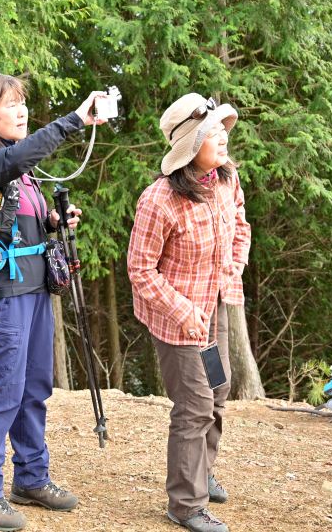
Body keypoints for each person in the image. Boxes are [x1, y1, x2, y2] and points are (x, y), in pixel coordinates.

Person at [0, 73, 106, 531]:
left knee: (34, 388)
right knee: (0, 392)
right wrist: (74, 120)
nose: (21, 111)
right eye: (11, 104)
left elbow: (12, 221)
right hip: (2, 295)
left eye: (23, 103)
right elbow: (14, 160)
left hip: (36, 290)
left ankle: (31, 479)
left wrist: (55, 220)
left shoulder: (19, 169)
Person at [127, 94, 251, 532]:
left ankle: (202, 472)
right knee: (195, 405)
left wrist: (234, 263)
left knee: (218, 389)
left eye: (222, 128)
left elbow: (241, 224)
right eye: (211, 132)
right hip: (176, 320)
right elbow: (140, 271)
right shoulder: (159, 200)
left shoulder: (225, 180)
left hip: (212, 305)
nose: (222, 137)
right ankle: (185, 503)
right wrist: (183, 311)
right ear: (188, 147)